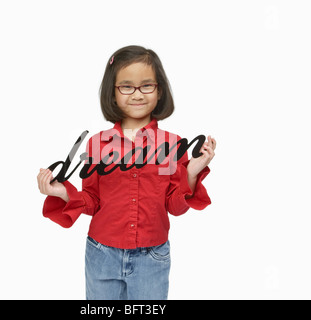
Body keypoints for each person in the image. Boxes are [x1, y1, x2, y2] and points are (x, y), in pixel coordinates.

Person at [37, 45, 216, 300]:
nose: (137, 94)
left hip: (152, 258)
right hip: (101, 254)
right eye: (126, 86)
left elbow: (174, 207)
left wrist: (192, 172)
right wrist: (62, 192)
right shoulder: (98, 144)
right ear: (113, 93)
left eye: (146, 85)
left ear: (159, 90)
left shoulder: (170, 145)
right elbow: (92, 202)